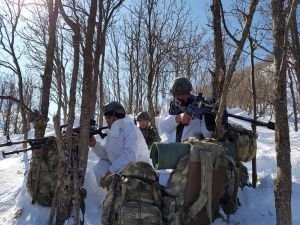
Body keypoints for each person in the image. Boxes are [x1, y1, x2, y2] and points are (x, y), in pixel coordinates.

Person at [88, 101, 150, 188]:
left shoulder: (130, 127)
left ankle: (118, 194)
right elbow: (107, 155)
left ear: (116, 116)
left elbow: (130, 155)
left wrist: (110, 172)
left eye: (108, 117)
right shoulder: (114, 131)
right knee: (100, 165)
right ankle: (111, 194)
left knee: (111, 172)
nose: (106, 120)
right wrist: (95, 145)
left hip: (138, 170)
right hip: (122, 168)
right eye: (106, 117)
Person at [158, 77, 212, 142]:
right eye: (177, 94)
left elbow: (208, 135)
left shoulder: (198, 105)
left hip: (190, 149)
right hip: (169, 148)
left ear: (188, 93)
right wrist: (178, 118)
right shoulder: (168, 104)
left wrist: (208, 120)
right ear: (173, 95)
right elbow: (161, 128)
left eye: (183, 93)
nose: (180, 96)